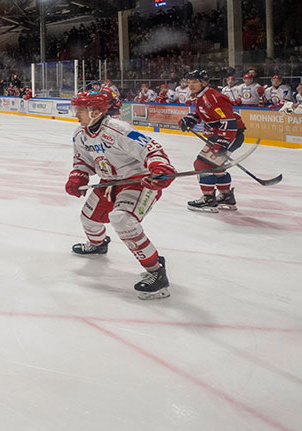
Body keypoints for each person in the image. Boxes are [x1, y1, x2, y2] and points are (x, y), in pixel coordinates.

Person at [65, 90, 175, 300]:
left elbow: (151, 149)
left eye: (80, 110)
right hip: (110, 182)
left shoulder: (118, 130)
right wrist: (78, 176)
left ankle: (156, 271)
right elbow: (82, 159)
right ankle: (98, 245)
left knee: (122, 219)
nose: (76, 114)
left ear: (96, 112)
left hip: (138, 181)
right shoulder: (80, 133)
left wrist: (159, 168)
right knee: (88, 219)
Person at [178, 70, 246, 213]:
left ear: (204, 82)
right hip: (223, 135)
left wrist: (222, 142)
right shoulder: (202, 96)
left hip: (230, 135)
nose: (191, 85)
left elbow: (228, 121)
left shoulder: (214, 97)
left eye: (195, 82)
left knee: (201, 164)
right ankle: (226, 196)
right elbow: (203, 112)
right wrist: (192, 118)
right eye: (189, 82)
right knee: (217, 166)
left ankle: (208, 198)